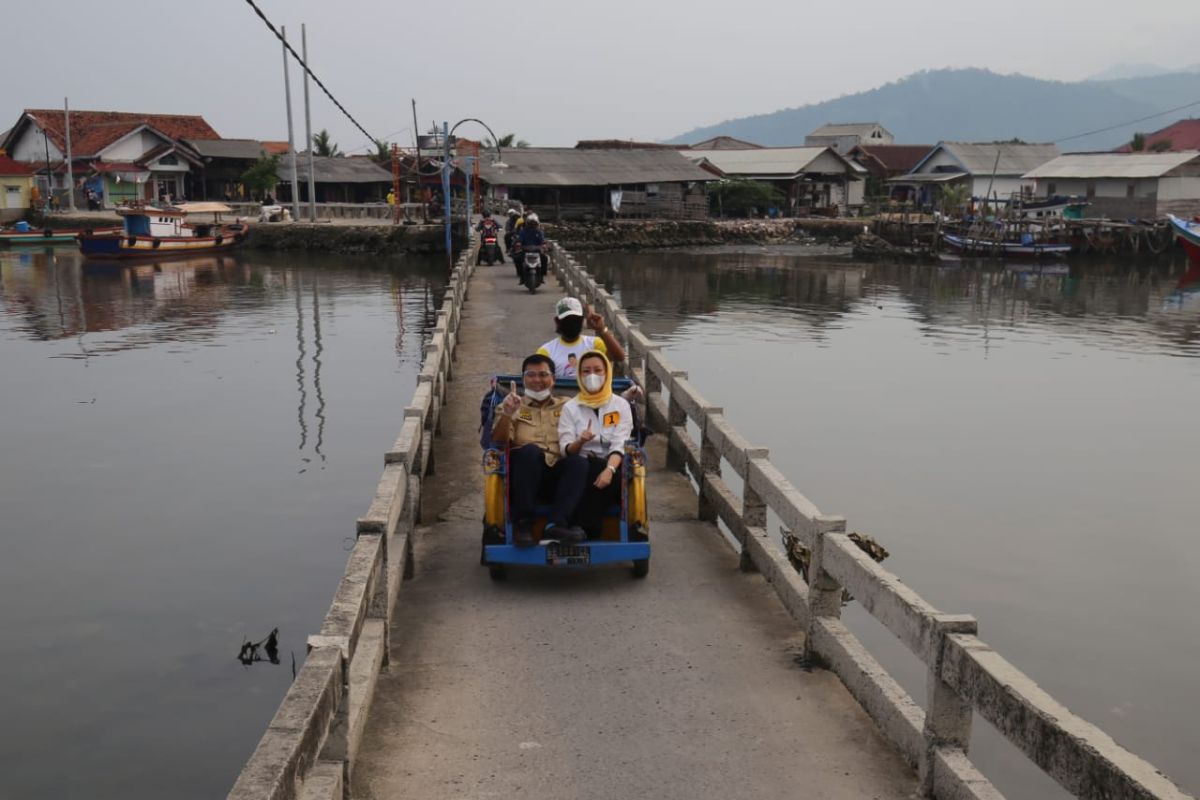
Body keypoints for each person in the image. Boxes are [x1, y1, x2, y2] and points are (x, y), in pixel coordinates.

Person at [491, 354, 585, 546]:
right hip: (524, 473)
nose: (537, 380)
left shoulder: (568, 405)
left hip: (557, 473)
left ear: (553, 379)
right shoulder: (510, 404)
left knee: (579, 462)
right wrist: (508, 415)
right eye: (531, 375)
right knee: (530, 452)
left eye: (543, 375)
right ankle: (523, 524)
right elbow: (499, 442)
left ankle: (556, 525)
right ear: (523, 379)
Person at [555, 350, 634, 538]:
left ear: (607, 373)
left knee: (612, 472)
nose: (592, 376)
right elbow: (565, 449)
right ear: (579, 375)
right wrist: (581, 440)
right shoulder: (570, 407)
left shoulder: (621, 405)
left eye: (598, 370)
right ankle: (580, 527)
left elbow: (620, 443)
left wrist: (610, 470)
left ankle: (585, 528)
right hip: (579, 464)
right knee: (583, 466)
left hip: (612, 464)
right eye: (586, 371)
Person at [537, 296, 627, 379]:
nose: (571, 324)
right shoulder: (546, 351)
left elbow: (619, 356)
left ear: (582, 320)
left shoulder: (595, 344)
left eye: (575, 320)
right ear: (557, 321)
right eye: (567, 320)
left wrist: (602, 329)